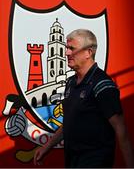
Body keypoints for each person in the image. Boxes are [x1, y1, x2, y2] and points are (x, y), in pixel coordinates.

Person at [34, 29, 134, 168]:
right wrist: (47, 147)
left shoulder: (102, 85)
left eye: (72, 49)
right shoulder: (70, 83)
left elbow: (121, 129)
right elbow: (70, 122)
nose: (67, 53)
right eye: (66, 48)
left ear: (89, 52)